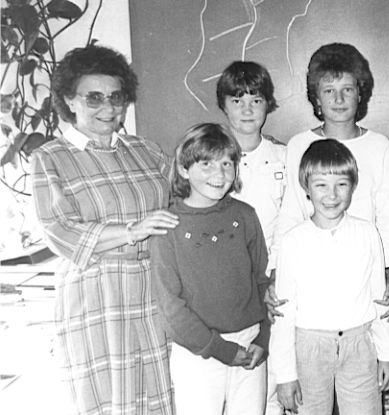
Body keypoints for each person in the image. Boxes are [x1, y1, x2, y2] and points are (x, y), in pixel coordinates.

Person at [31, 45, 177, 414]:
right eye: (93, 97)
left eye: (116, 96)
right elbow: (62, 230)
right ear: (70, 100)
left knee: (161, 395)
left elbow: (183, 202)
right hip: (98, 294)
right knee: (110, 400)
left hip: (154, 290)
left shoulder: (145, 151)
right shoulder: (50, 158)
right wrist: (132, 230)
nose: (108, 108)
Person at [272, 42, 389, 321]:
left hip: (364, 269)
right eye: (329, 91)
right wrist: (275, 271)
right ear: (316, 98)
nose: (339, 99)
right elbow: (290, 213)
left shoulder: (378, 145)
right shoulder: (299, 145)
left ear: (360, 94)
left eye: (348, 90)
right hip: (312, 269)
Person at [270, 139, 389, 415]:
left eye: (341, 184)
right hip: (309, 348)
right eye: (321, 185)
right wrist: (285, 374)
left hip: (359, 345)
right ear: (306, 187)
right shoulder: (293, 241)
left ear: (353, 186)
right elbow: (283, 313)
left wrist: (388, 353)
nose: (332, 195)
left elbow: (380, 299)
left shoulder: (367, 233)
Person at [149, 123, 271, 415]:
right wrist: (220, 350)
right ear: (184, 169)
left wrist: (263, 338)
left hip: (250, 345)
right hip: (199, 352)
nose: (220, 174)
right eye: (207, 164)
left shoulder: (245, 215)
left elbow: (263, 283)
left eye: (227, 164)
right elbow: (171, 308)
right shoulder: (168, 226)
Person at [216, 60, 286, 415]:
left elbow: (293, 225)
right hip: (225, 288)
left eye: (256, 100)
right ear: (223, 105)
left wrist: (277, 277)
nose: (247, 109)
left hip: (274, 283)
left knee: (271, 388)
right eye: (237, 100)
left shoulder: (284, 157)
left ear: (267, 104)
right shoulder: (210, 159)